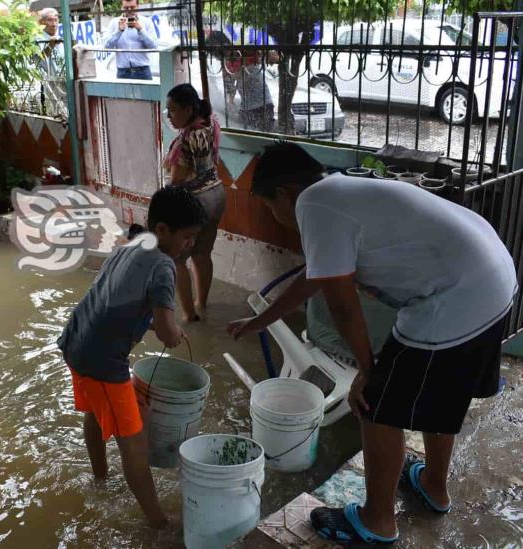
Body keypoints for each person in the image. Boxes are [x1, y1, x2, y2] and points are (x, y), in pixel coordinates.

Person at [227, 142, 517, 545]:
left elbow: (344, 309)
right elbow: (316, 275)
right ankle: (433, 487)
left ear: (284, 193)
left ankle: (378, 520)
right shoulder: (339, 190)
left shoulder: (312, 205)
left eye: (269, 207)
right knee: (442, 392)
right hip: (494, 279)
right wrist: (261, 319)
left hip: (453, 299)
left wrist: (367, 371)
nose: (276, 218)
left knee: (375, 405)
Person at [57, 185, 206, 529]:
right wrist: (174, 331)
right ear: (164, 230)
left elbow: (119, 302)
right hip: (103, 361)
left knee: (95, 413)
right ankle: (158, 524)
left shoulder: (135, 243)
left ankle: (99, 478)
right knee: (135, 442)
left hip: (76, 340)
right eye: (187, 237)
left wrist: (156, 325)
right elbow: (170, 333)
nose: (191, 245)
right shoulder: (165, 267)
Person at [163, 83, 226, 322]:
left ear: (188, 109)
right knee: (202, 253)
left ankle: (189, 315)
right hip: (217, 194)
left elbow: (177, 180)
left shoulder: (185, 141)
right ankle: (201, 303)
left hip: (195, 201)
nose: (169, 116)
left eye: (173, 111)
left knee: (178, 258)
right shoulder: (210, 123)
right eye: (167, 111)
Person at [104, 0, 157, 80]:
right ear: (121, 7)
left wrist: (140, 29)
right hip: (123, 72)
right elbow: (106, 46)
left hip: (143, 71)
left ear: (138, 6)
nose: (129, 10)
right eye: (126, 8)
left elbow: (153, 46)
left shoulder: (146, 22)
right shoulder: (114, 23)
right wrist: (119, 31)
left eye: (132, 7)